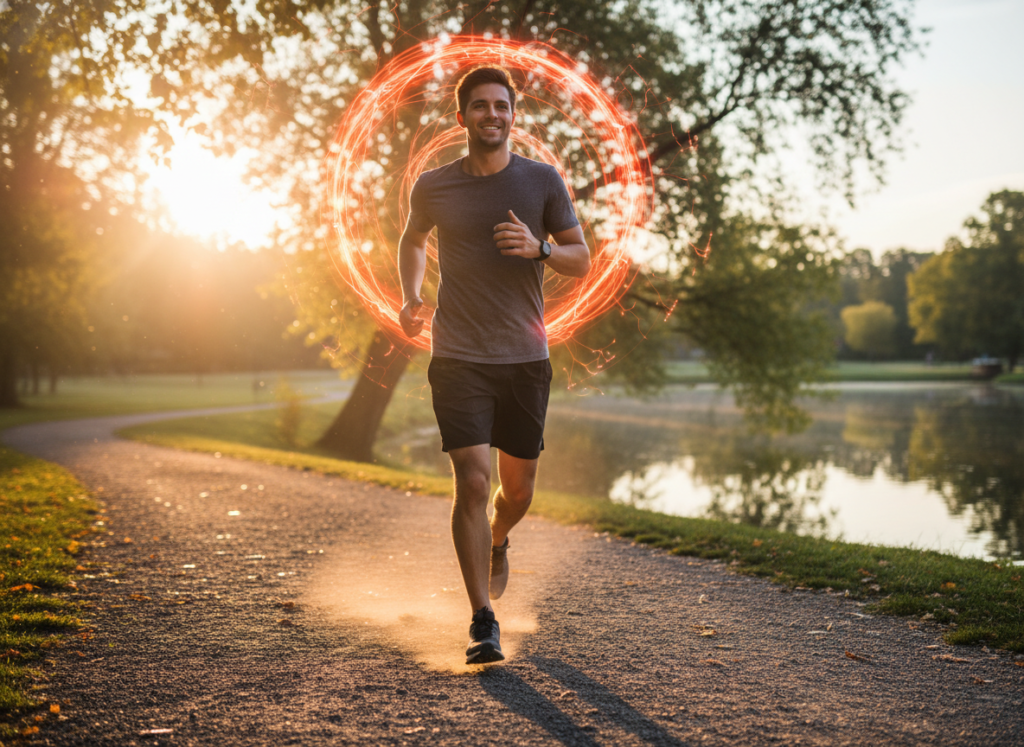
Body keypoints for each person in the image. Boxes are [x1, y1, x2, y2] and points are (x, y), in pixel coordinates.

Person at [397, 66, 590, 664]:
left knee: (518, 490)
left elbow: (581, 259)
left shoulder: (541, 181)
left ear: (513, 115)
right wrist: (410, 296)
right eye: (480, 106)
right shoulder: (434, 186)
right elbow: (412, 240)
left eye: (501, 105)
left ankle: (499, 538)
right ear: (462, 118)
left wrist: (540, 248)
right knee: (474, 481)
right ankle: (483, 619)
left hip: (525, 358)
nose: (492, 115)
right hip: (458, 354)